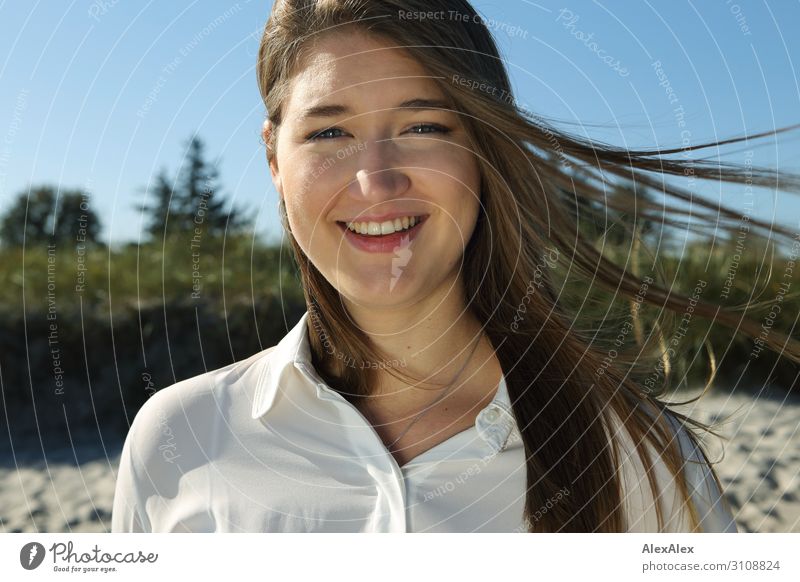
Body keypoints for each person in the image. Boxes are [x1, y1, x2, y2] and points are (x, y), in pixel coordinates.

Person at [113, 0, 800, 532]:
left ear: (482, 149)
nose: (376, 182)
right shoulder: (177, 441)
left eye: (424, 127)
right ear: (273, 159)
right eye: (329, 132)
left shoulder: (639, 455)